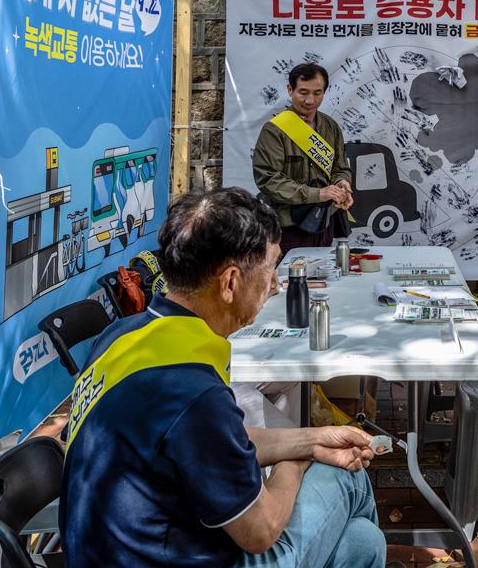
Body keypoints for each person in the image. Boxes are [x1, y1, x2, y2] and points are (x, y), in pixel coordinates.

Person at [61, 188, 386, 568]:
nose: (275, 284)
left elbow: (215, 442)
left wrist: (313, 439)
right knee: (348, 478)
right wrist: (296, 463)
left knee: (362, 544)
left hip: (108, 552)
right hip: (172, 555)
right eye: (270, 270)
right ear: (230, 282)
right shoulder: (192, 391)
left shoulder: (123, 335)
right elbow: (260, 530)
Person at [253, 63, 354, 255]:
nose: (310, 100)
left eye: (317, 93)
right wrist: (318, 194)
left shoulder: (330, 127)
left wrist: (342, 184)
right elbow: (268, 179)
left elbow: (340, 167)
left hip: (325, 220)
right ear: (290, 90)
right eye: (303, 92)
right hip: (289, 224)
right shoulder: (275, 130)